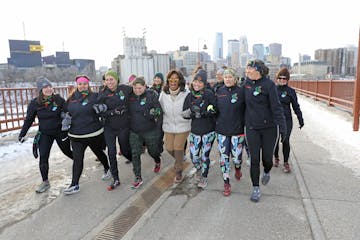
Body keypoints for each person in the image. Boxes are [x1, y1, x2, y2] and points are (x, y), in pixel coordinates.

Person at [18, 76, 73, 193]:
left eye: (49, 86)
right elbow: (29, 120)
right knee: (43, 156)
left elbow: (69, 111)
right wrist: (22, 134)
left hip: (60, 131)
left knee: (67, 151)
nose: (48, 89)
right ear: (40, 90)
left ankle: (79, 164)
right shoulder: (34, 103)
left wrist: (67, 119)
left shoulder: (58, 99)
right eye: (45, 87)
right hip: (45, 133)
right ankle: (45, 182)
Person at [243, 59, 286, 202]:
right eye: (247, 68)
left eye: (250, 69)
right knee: (254, 159)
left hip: (269, 128)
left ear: (259, 71)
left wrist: (283, 127)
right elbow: (237, 104)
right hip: (251, 128)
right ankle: (256, 188)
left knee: (267, 159)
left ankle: (267, 170)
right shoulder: (245, 84)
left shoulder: (269, 85)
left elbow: (276, 107)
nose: (247, 71)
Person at [63, 75, 110, 195]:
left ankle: (107, 168)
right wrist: (65, 117)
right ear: (77, 85)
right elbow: (65, 111)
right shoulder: (71, 98)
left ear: (88, 85)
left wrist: (102, 108)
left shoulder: (94, 96)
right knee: (78, 159)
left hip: (93, 133)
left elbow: (105, 106)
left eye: (84, 84)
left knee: (99, 152)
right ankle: (74, 184)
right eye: (80, 84)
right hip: (76, 135)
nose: (82, 86)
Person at [96, 70, 133, 190]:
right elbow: (99, 111)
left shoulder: (125, 89)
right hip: (109, 127)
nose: (109, 82)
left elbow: (139, 90)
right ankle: (115, 178)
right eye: (107, 80)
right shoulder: (102, 94)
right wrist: (113, 112)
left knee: (125, 149)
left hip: (123, 126)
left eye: (111, 79)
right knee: (111, 152)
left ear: (117, 80)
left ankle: (133, 160)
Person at [182, 69, 217, 189]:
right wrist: (190, 114)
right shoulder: (189, 95)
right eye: (195, 81)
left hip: (208, 130)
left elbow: (215, 110)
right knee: (194, 156)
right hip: (195, 131)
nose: (197, 84)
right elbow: (185, 112)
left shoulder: (209, 94)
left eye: (200, 82)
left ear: (204, 84)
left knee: (204, 156)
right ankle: (198, 168)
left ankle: (204, 176)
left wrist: (204, 113)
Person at [215, 68, 246, 196]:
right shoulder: (219, 91)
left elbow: (248, 109)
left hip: (237, 131)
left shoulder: (241, 92)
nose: (227, 79)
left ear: (235, 79)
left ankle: (238, 168)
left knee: (237, 158)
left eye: (230, 77)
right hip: (222, 131)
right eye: (225, 77)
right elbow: (214, 109)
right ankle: (226, 183)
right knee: (224, 158)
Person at [128, 77, 163, 188]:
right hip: (134, 131)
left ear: (144, 86)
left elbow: (158, 111)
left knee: (153, 151)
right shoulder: (130, 97)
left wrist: (149, 113)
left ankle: (157, 160)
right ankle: (138, 176)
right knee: (135, 153)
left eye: (140, 88)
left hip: (149, 129)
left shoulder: (151, 95)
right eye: (135, 88)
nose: (137, 90)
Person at [159, 69, 191, 183]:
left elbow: (190, 108)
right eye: (171, 79)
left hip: (183, 125)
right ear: (168, 81)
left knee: (178, 148)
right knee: (169, 148)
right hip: (168, 126)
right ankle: (180, 159)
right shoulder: (163, 94)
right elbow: (160, 108)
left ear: (180, 81)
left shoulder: (186, 93)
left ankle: (178, 171)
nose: (173, 82)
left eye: (176, 79)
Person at [274, 67, 304, 173]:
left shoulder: (290, 91)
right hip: (274, 120)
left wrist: (300, 119)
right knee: (275, 141)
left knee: (285, 140)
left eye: (284, 78)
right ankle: (276, 157)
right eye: (280, 78)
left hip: (286, 120)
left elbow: (296, 106)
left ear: (287, 80)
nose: (282, 80)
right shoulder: (272, 90)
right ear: (277, 79)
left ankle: (286, 162)